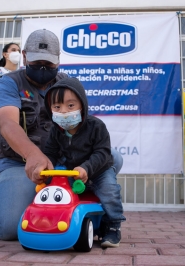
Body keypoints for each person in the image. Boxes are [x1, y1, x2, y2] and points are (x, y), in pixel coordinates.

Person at [0, 29, 123, 241]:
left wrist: (85, 165)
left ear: (58, 60)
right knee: (9, 229)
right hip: (19, 162)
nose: (43, 68)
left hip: (63, 159)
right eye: (36, 63)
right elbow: (7, 124)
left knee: (112, 157)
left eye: (49, 64)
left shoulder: (66, 82)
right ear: (24, 56)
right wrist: (33, 155)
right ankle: (44, 197)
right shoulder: (8, 83)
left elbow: (82, 121)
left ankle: (93, 203)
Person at [43, 77, 126, 248]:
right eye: (57, 107)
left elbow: (102, 152)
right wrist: (45, 169)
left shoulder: (96, 126)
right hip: (73, 172)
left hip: (99, 170)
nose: (64, 111)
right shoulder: (55, 131)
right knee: (61, 194)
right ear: (50, 109)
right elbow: (50, 153)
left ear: (82, 105)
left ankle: (112, 225)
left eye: (70, 105)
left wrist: (86, 167)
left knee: (109, 191)